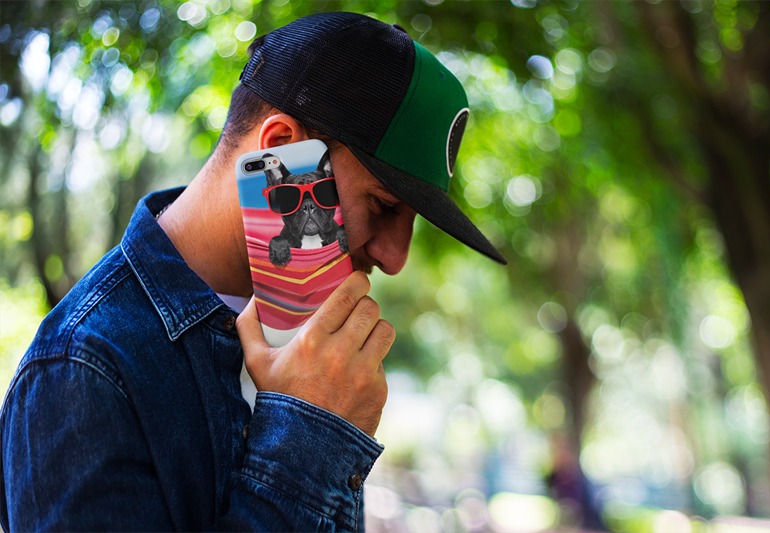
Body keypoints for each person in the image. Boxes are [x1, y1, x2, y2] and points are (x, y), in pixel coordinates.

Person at [0, 11, 506, 531]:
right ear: (281, 149)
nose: (395, 258)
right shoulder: (82, 369)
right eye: (382, 205)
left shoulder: (308, 345)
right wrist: (310, 432)